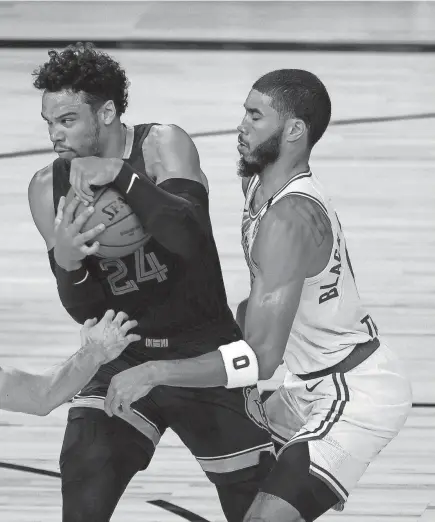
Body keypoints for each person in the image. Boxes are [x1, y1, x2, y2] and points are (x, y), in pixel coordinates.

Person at [104, 69, 413, 522]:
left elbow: (261, 359)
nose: (241, 126)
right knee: (240, 470)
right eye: (243, 112)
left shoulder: (289, 220)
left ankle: (323, 466)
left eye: (255, 116)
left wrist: (154, 371)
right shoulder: (259, 187)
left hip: (352, 391)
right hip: (303, 384)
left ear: (293, 131)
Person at [28, 43, 275, 522]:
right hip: (124, 349)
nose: (55, 135)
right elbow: (86, 309)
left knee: (257, 509)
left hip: (202, 350)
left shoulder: (163, 145)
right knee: (84, 469)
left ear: (106, 112)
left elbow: (190, 238)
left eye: (68, 120)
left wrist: (121, 176)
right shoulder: (46, 187)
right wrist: (67, 262)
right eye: (49, 122)